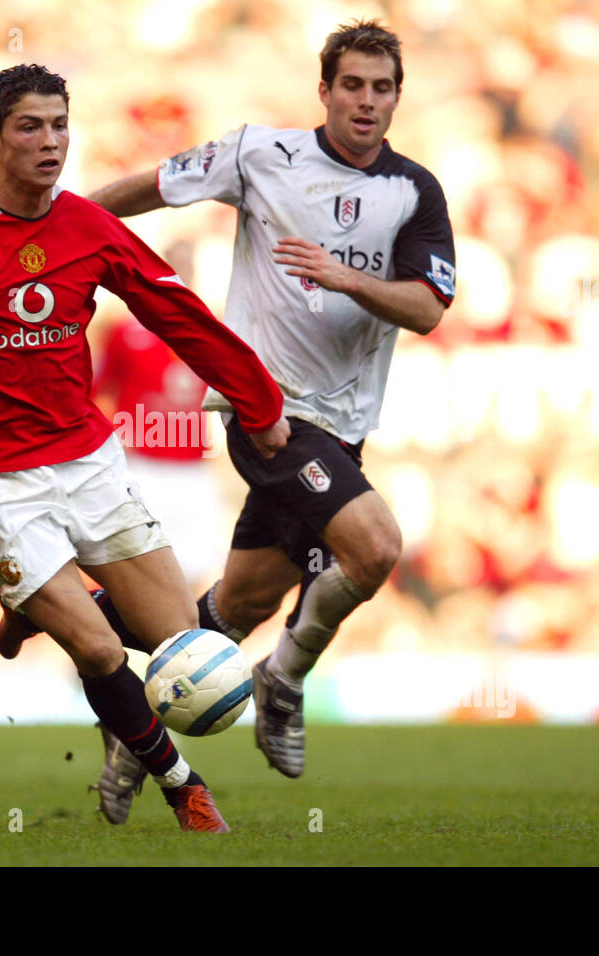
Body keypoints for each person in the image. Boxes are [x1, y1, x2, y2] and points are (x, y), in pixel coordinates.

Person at [0, 64, 289, 833]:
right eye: (30, 127)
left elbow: (176, 313)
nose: (50, 142)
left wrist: (259, 400)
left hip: (87, 463)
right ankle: (185, 788)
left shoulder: (86, 226)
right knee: (97, 648)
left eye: (59, 125)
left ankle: (32, 606)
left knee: (179, 640)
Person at [73, 19, 457, 804]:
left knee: (237, 603)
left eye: (382, 88)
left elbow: (427, 307)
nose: (366, 101)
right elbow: (153, 184)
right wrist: (65, 225)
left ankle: (132, 738)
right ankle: (281, 683)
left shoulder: (414, 191)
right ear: (324, 90)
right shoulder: (262, 154)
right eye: (351, 84)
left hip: (345, 429)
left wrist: (349, 281)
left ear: (396, 99)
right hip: (267, 408)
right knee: (377, 547)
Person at [91, 239, 228, 590]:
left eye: (189, 267)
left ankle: (194, 640)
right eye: (175, 266)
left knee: (198, 568)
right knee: (145, 567)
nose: (182, 275)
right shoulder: (125, 330)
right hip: (144, 465)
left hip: (193, 467)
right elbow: (95, 392)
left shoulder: (212, 330)